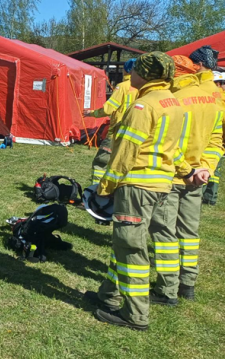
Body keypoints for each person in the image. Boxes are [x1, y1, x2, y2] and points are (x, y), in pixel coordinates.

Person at [85, 52, 185, 331]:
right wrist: (187, 170)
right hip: (162, 185)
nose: (131, 76)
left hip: (138, 185)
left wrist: (105, 188)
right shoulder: (174, 103)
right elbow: (174, 146)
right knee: (124, 245)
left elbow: (126, 151)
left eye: (135, 71)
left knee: (130, 249)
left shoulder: (143, 106)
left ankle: (135, 314)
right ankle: (109, 295)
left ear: (145, 75)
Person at [149, 55, 224, 306]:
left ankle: (166, 290)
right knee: (190, 232)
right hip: (198, 178)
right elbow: (216, 141)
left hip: (171, 175)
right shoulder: (213, 100)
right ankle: (188, 283)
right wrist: (205, 168)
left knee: (164, 232)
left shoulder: (173, 99)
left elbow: (165, 142)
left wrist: (186, 169)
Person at [85, 59, 139, 185]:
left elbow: (108, 109)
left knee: (101, 162)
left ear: (125, 70)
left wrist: (92, 113)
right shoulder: (144, 87)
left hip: (117, 132)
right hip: (135, 133)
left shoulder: (123, 86)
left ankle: (96, 193)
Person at [191, 46, 225, 205]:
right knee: (211, 167)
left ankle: (204, 195)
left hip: (203, 138)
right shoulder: (216, 93)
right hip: (214, 138)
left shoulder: (200, 89)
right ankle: (208, 197)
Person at [203, 71, 225, 205]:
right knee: (215, 170)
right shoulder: (220, 98)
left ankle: (206, 195)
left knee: (207, 167)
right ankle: (211, 197)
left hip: (209, 137)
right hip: (218, 139)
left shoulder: (207, 95)